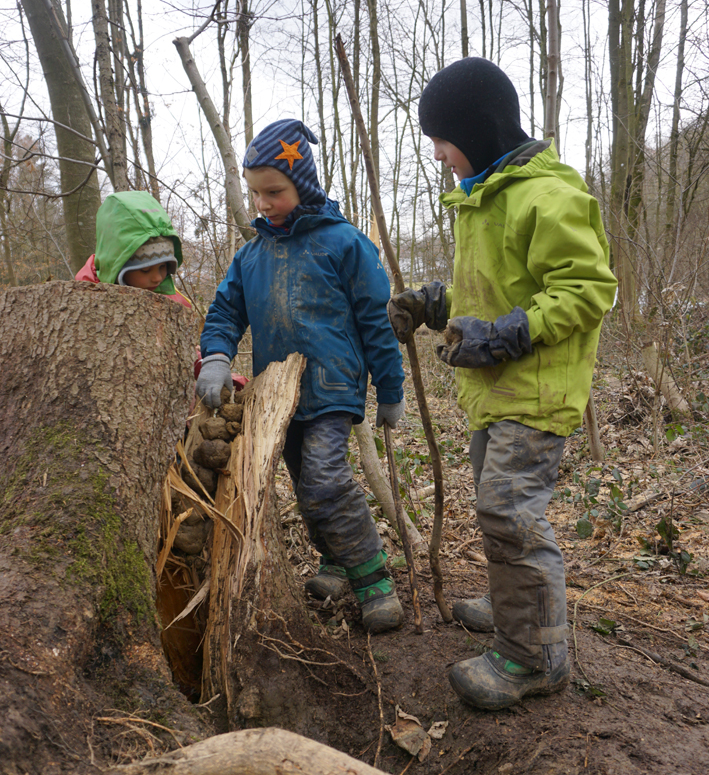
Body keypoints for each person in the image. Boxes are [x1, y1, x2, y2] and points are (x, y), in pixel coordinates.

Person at [388, 57, 617, 709]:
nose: (437, 154)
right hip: (494, 393)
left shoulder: (547, 197)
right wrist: (429, 303)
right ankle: (513, 604)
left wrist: (507, 333)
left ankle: (533, 657)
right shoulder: (480, 198)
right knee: (498, 509)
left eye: (442, 139)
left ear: (479, 131)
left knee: (509, 512)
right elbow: (477, 290)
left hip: (535, 391)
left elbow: (587, 289)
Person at [196, 119, 406, 634]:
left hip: (333, 386)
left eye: (275, 191)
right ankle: (335, 560)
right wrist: (217, 356)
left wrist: (391, 388)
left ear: (303, 185)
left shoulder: (345, 244)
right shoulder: (251, 256)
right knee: (303, 484)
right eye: (257, 193)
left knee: (326, 478)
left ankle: (374, 576)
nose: (264, 203)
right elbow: (224, 313)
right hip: (275, 397)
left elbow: (377, 320)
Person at [75, 190, 191, 308]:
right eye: (145, 270)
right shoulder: (84, 296)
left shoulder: (174, 303)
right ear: (118, 267)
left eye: (163, 266)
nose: (158, 278)